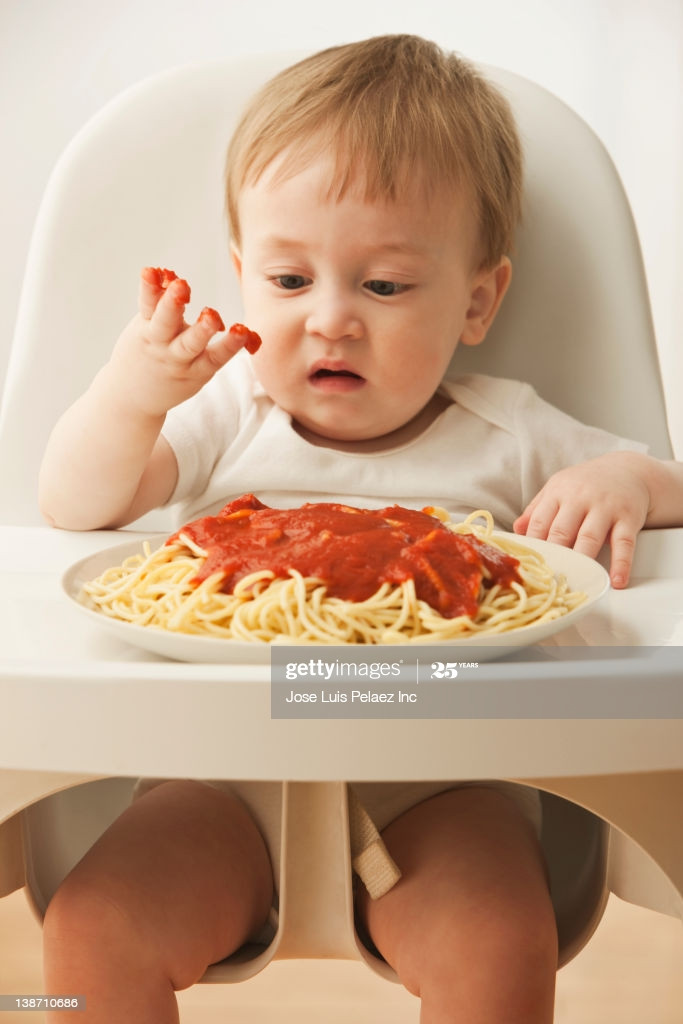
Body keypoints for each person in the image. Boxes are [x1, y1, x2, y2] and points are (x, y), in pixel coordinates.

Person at [38, 34, 683, 1024]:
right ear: (244, 273)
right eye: (291, 282)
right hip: (220, 776)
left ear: (475, 300)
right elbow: (75, 508)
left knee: (502, 941)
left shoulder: (506, 433)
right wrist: (131, 397)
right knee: (91, 927)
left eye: (381, 286)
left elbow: (665, 485)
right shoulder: (225, 418)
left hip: (443, 785)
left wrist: (622, 478)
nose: (331, 319)